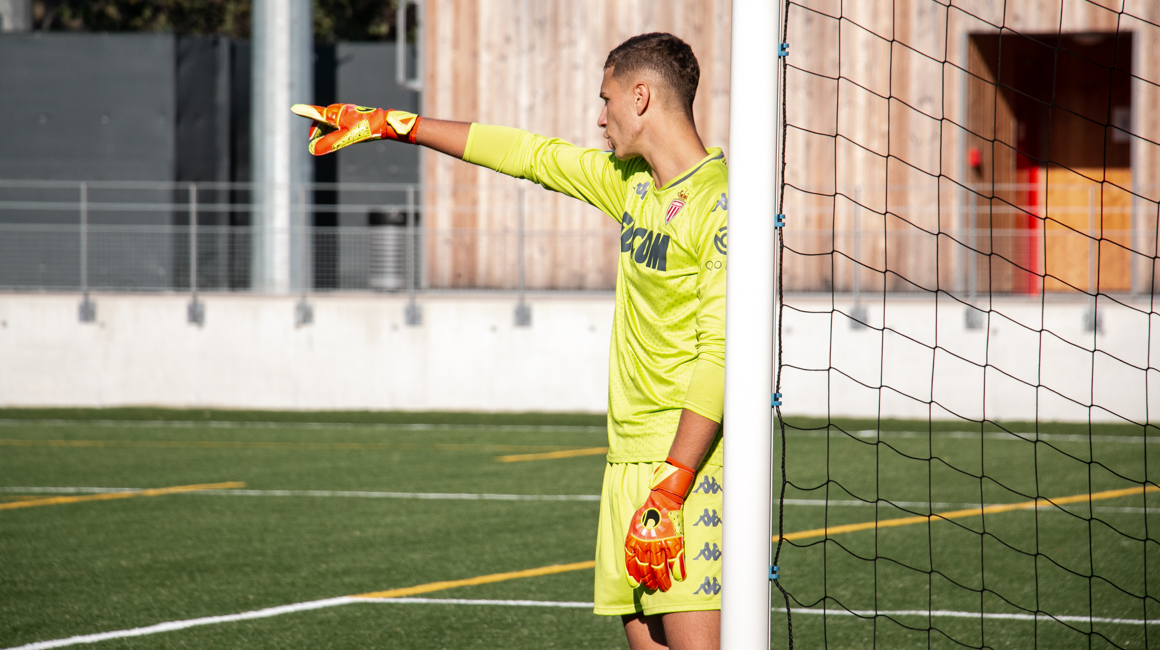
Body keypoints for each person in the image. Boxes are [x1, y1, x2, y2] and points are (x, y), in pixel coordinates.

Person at [292, 32, 726, 650]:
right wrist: (394, 124)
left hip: (688, 470)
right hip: (624, 464)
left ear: (641, 97)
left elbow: (720, 356)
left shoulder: (719, 203)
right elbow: (527, 154)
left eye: (605, 101)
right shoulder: (630, 183)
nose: (599, 118)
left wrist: (673, 483)